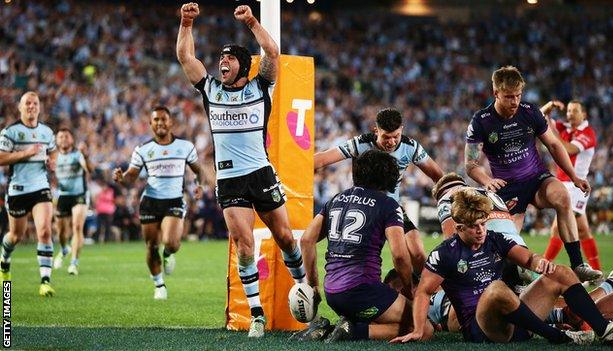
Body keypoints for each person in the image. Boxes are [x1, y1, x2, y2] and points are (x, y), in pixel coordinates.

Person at [176, 3, 306, 337]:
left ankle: (303, 287)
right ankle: (257, 315)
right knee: (244, 245)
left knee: (286, 238)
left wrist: (250, 21)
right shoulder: (211, 89)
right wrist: (186, 23)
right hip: (230, 179)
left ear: (243, 65)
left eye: (230, 58)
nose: (222, 62)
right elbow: (185, 59)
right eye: (221, 58)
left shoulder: (260, 87)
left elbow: (273, 52)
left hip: (261, 173)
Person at [391, 189, 613, 345]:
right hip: (482, 330)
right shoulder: (444, 253)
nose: (481, 230)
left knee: (560, 272)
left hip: (516, 322)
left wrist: (538, 261)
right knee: (495, 289)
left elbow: (525, 257)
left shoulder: (493, 238)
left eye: (483, 223)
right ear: (459, 227)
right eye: (474, 226)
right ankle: (559, 336)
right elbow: (423, 291)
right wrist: (419, 329)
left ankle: (604, 330)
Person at [464, 65, 601, 282]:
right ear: (496, 93)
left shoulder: (529, 112)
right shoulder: (481, 121)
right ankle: (511, 284)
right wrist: (487, 180)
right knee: (509, 247)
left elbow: (555, 146)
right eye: (509, 97)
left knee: (563, 196)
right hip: (506, 188)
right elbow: (470, 164)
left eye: (518, 95)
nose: (515, 102)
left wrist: (574, 177)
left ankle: (578, 265)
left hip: (536, 179)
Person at [301, 150, 421, 342]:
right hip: (363, 291)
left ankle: (329, 328)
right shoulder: (388, 204)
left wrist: (314, 285)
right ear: (388, 176)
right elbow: (399, 255)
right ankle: (349, 333)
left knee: (383, 320)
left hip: (333, 293)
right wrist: (408, 288)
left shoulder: (336, 199)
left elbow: (306, 240)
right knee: (421, 326)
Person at [314, 108, 443, 273]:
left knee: (417, 253)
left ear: (402, 130)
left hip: (391, 207)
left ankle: (421, 293)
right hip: (363, 206)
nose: (391, 142)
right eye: (386, 137)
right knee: (352, 256)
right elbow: (323, 158)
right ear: (376, 131)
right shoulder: (360, 144)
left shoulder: (410, 147)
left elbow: (438, 176)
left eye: (396, 136)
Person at [113, 106, 204, 300]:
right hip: (150, 201)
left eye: (164, 119)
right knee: (151, 246)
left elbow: (198, 170)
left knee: (171, 242)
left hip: (174, 200)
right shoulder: (143, 150)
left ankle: (169, 253)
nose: (160, 123)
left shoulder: (185, 147)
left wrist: (199, 185)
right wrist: (122, 178)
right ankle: (159, 284)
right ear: (151, 124)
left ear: (171, 122)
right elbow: (132, 176)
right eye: (156, 120)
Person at [0, 91, 57, 296]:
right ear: (20, 107)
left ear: (39, 107)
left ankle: (45, 281)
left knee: (44, 231)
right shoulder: (10, 132)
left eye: (35, 103)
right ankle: (4, 260)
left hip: (40, 186)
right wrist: (26, 152)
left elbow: (53, 151)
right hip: (18, 189)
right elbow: (1, 158)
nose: (31, 106)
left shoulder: (47, 132)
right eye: (27, 103)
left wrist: (53, 162)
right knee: (16, 236)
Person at [540, 100, 601, 272]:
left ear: (584, 115)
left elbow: (568, 150)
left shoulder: (588, 133)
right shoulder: (564, 128)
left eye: (574, 111)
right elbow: (540, 119)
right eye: (568, 111)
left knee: (557, 229)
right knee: (583, 230)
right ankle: (597, 272)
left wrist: (553, 132)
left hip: (577, 186)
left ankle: (542, 270)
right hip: (565, 184)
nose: (570, 114)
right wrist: (548, 107)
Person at [52, 128, 93, 275]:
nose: (63, 139)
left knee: (77, 227)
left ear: (72, 140)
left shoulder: (78, 154)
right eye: (60, 136)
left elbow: (90, 169)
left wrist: (87, 157)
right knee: (61, 232)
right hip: (63, 195)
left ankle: (74, 263)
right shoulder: (54, 157)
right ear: (56, 140)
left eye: (66, 136)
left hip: (79, 194)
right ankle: (64, 249)